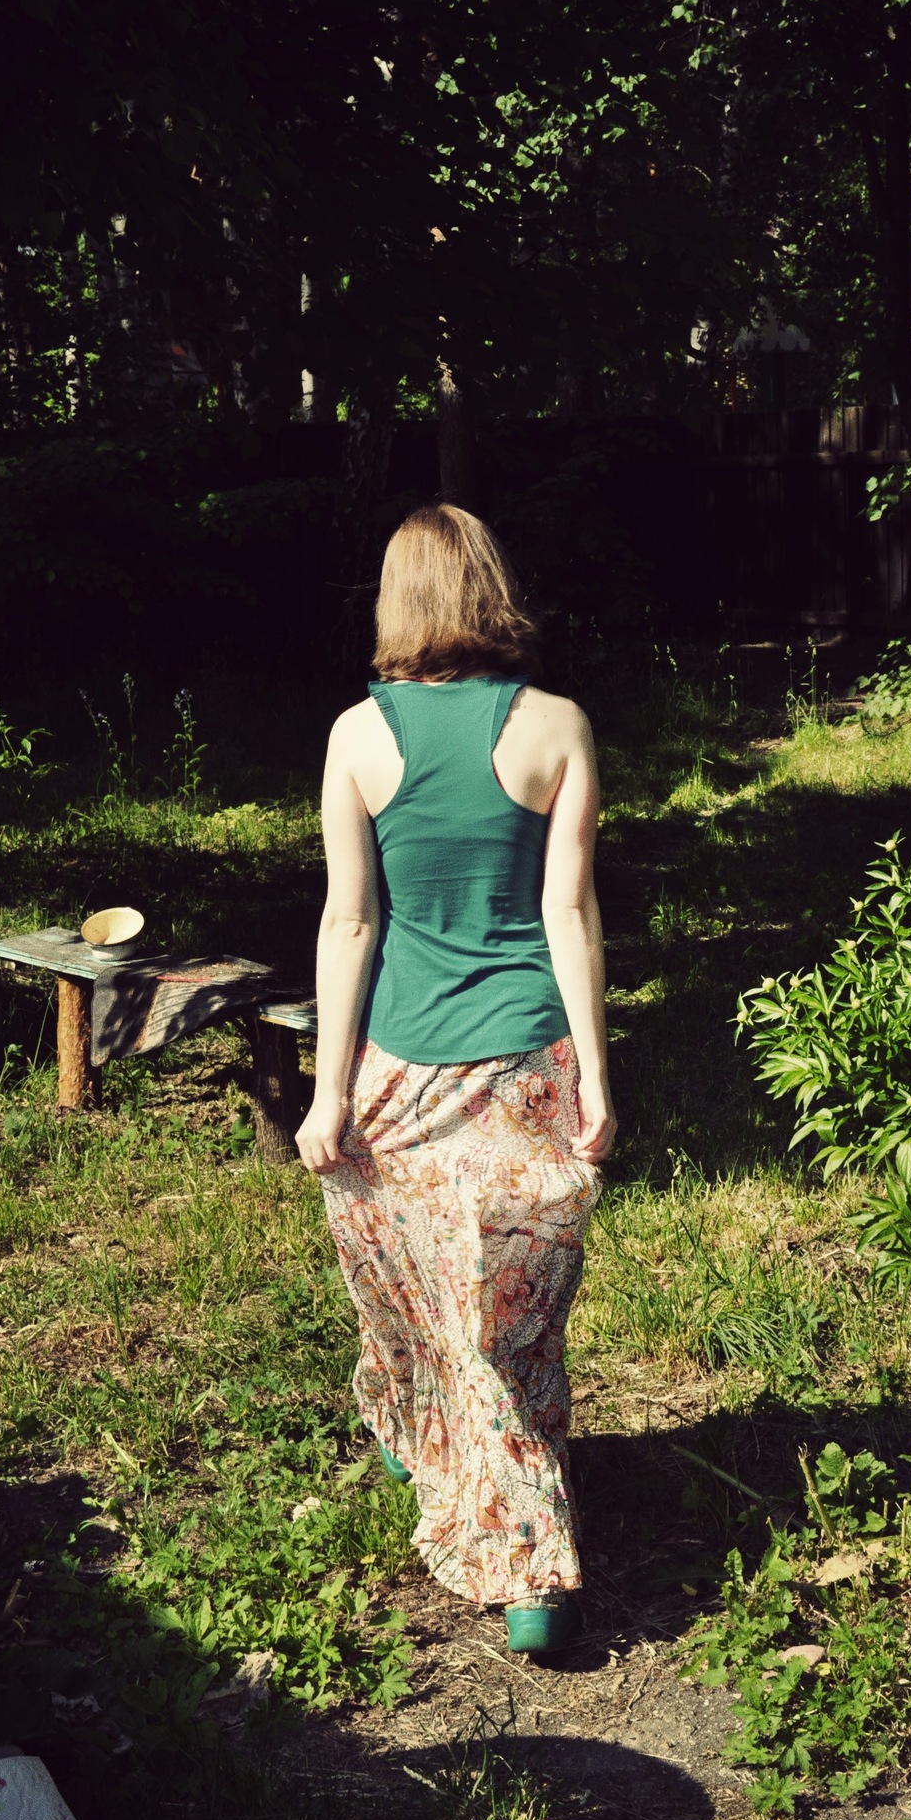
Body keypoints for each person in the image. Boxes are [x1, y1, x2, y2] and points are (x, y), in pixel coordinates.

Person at [295, 502, 615, 1655]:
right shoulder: (558, 725)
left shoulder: (355, 737)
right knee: (503, 1322)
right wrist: (596, 1076)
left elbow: (350, 921)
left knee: (414, 1287)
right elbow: (568, 910)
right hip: (527, 1067)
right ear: (491, 587)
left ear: (397, 600)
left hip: (401, 1068)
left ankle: (517, 1544)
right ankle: (466, 1477)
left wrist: (330, 1092)